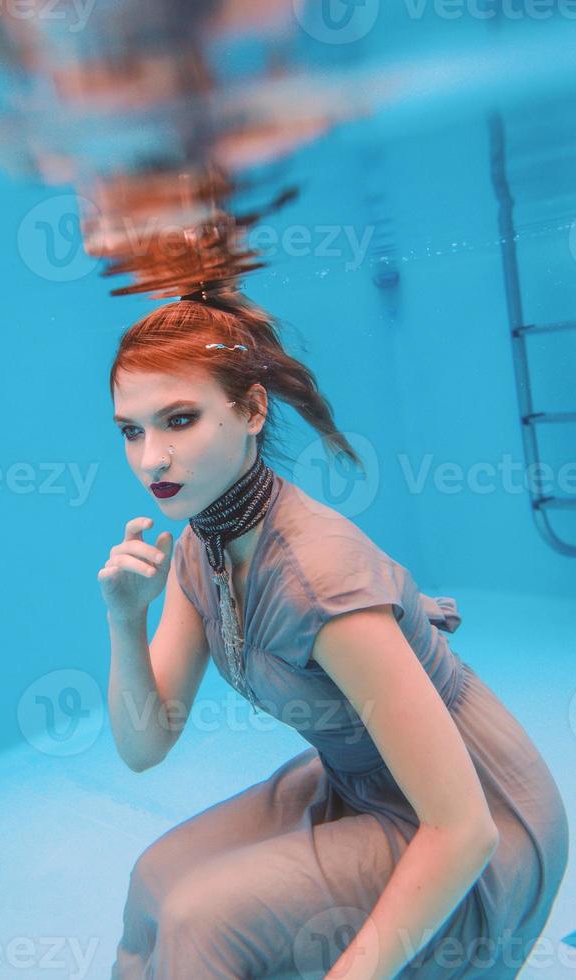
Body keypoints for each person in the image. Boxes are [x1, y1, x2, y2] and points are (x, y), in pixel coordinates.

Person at [98, 287, 569, 979]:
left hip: (483, 825)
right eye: (131, 430)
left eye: (178, 419)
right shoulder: (201, 549)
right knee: (153, 883)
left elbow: (461, 830)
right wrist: (124, 619)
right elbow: (144, 747)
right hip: (356, 783)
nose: (150, 459)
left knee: (205, 922)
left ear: (252, 410)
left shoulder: (320, 583)